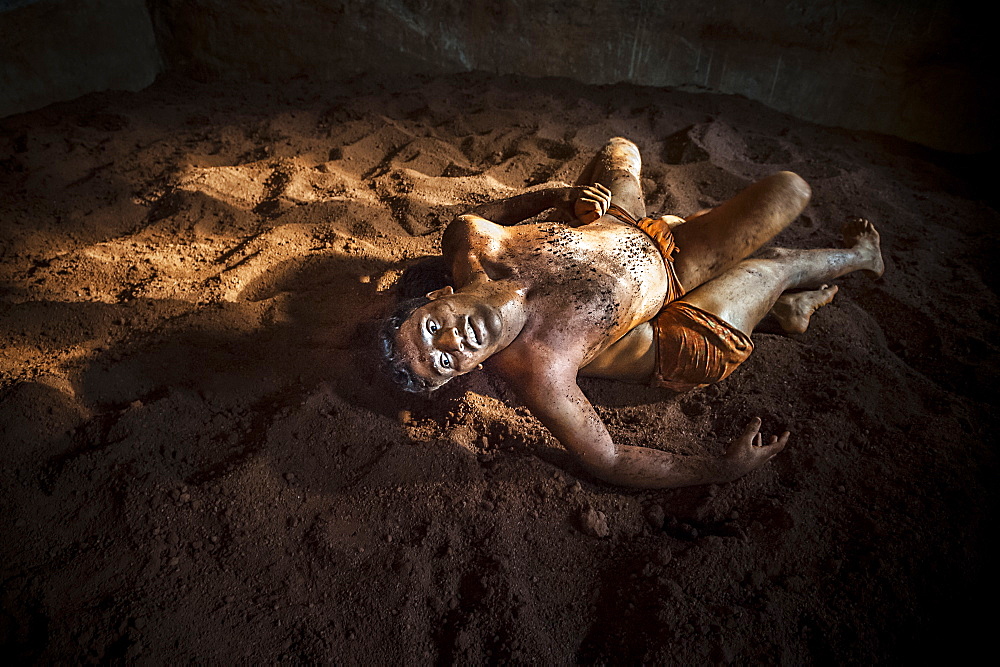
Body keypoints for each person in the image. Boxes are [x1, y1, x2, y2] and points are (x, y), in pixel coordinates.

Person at [380, 138, 883, 489]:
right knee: (768, 261)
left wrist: (564, 198)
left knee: (622, 151)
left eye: (431, 329)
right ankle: (861, 259)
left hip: (630, 234)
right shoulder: (540, 367)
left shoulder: (472, 240)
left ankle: (783, 311)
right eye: (444, 363)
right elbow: (610, 457)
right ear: (466, 373)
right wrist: (717, 468)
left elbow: (492, 214)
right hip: (683, 318)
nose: (453, 343)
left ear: (437, 296)